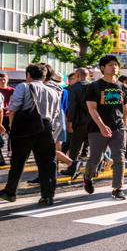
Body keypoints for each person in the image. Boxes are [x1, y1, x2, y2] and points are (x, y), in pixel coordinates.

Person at [0, 64, 61, 205]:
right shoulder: (53, 91)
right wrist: (51, 132)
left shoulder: (23, 87)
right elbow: (56, 114)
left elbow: (14, 107)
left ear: (28, 75)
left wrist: (13, 128)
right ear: (44, 77)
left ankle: (10, 192)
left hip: (25, 127)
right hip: (46, 127)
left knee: (18, 161)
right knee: (47, 163)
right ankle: (48, 195)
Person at [82, 56, 127, 200]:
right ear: (102, 68)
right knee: (96, 158)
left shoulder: (123, 87)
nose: (114, 67)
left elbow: (125, 109)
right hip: (97, 129)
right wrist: (102, 126)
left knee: (119, 158)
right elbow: (92, 109)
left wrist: (125, 127)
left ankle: (117, 188)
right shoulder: (94, 87)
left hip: (118, 128)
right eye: (110, 65)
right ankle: (88, 177)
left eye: (116, 65)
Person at [65, 67, 91, 179]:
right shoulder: (93, 86)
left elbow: (72, 106)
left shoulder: (73, 88)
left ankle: (73, 168)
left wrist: (69, 121)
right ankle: (100, 164)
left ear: (78, 76)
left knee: (75, 146)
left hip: (78, 120)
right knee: (94, 145)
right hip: (92, 120)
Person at [0, 73, 13, 166]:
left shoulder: (12, 90)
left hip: (9, 116)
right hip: (0, 116)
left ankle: (10, 154)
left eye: (4, 79)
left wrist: (10, 107)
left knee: (12, 135)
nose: (3, 81)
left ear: (7, 80)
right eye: (0, 80)